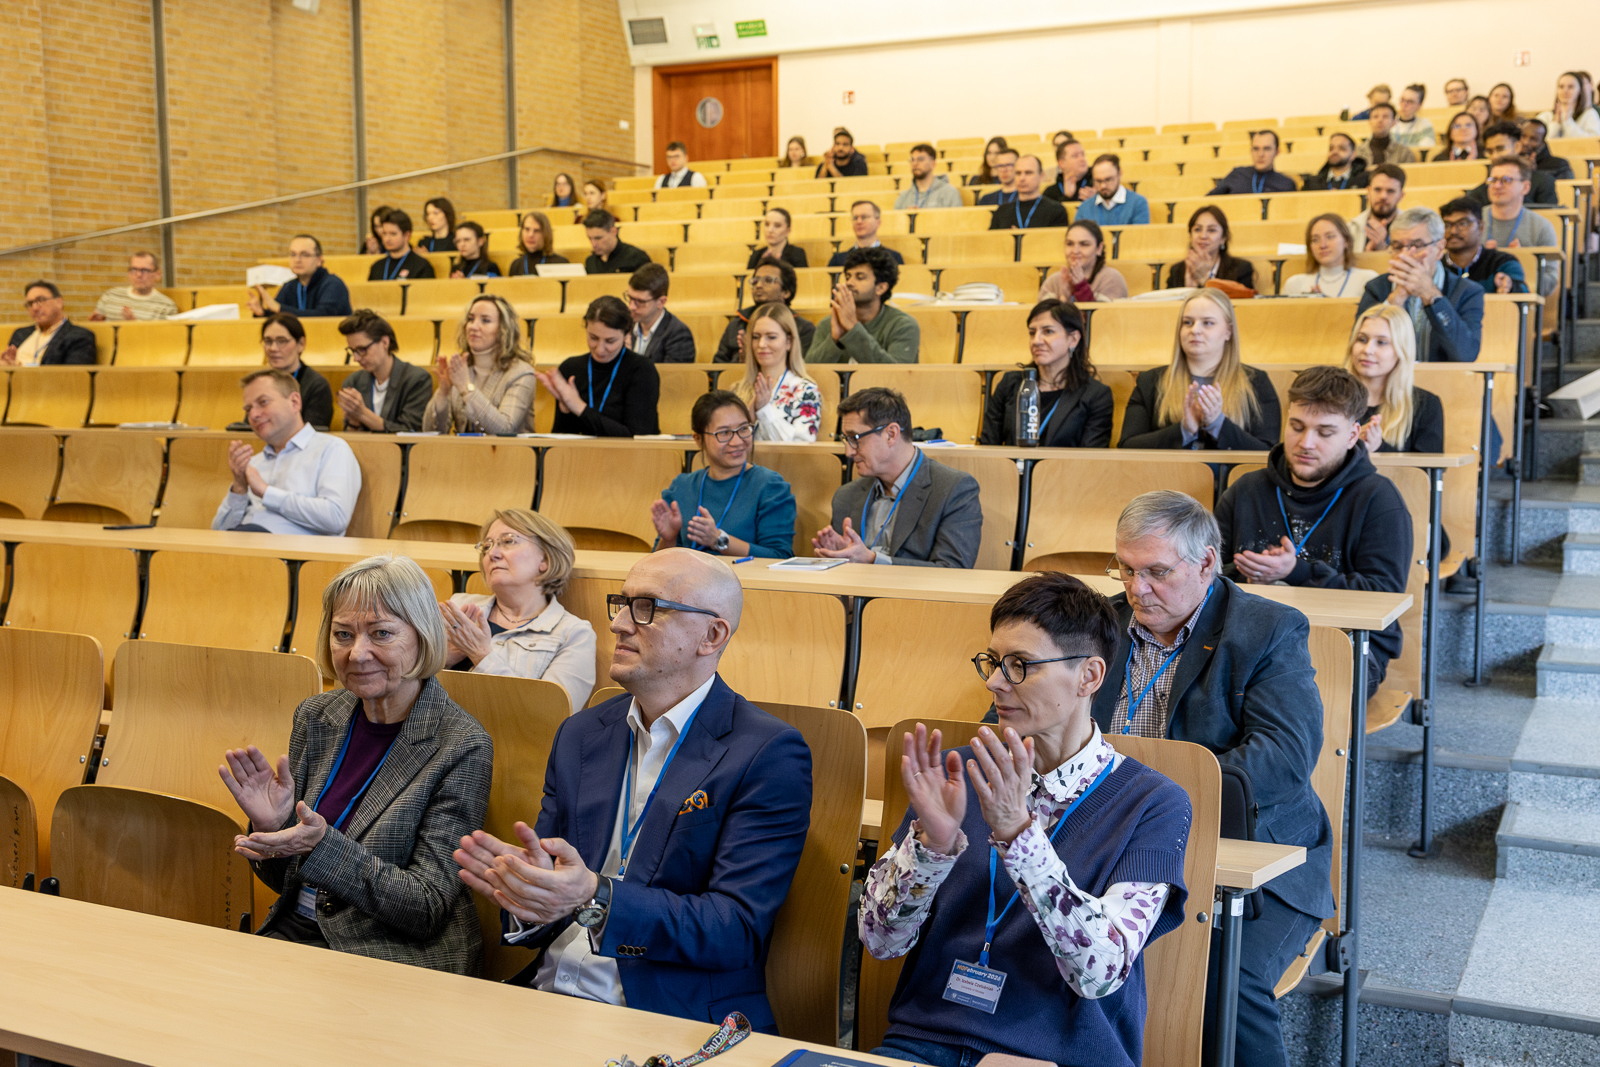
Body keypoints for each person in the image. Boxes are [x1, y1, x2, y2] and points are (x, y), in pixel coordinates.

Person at [454, 549, 812, 1030]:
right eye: (621, 604)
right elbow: (557, 885)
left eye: (647, 608)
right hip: (543, 1000)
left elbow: (737, 929)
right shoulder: (582, 734)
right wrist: (531, 895)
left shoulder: (766, 752)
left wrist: (596, 897)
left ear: (712, 635)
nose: (620, 624)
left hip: (666, 1017)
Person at [860, 573, 1191, 1067]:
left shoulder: (1154, 803)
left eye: (1020, 666)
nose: (995, 681)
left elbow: (1099, 971)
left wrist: (1018, 833)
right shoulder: (957, 775)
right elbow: (879, 941)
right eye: (993, 662)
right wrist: (929, 846)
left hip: (1062, 1056)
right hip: (926, 1043)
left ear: (1089, 677)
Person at [1092, 491, 1333, 1067]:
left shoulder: (1268, 628)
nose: (1137, 589)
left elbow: (1284, 755)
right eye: (1125, 570)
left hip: (1252, 849)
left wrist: (1156, 798)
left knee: (1224, 975)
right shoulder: (1098, 623)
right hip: (1110, 839)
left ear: (1206, 563)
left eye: (1156, 572)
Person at [221, 554, 492, 971]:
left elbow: (425, 907)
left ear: (423, 636)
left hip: (390, 955)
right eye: (343, 634)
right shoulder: (317, 717)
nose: (357, 653)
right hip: (298, 935)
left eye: (381, 633)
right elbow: (287, 883)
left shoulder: (461, 745)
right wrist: (272, 828)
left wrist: (320, 844)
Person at [1216, 365, 1412, 695]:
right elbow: (1204, 572)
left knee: (1284, 695)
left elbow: (1383, 596)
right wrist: (1246, 574)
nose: (1306, 443)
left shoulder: (1379, 499)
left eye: (1324, 432)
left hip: (1343, 642)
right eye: (1296, 427)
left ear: (1353, 435)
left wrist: (1297, 572)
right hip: (1248, 636)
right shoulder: (1246, 488)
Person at [442, 510, 597, 710]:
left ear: (546, 559)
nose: (492, 554)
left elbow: (550, 716)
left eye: (508, 541)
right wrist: (442, 659)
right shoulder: (458, 608)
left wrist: (481, 655)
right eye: (487, 546)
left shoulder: (573, 634)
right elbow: (404, 691)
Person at [813, 388, 981, 568]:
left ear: (891, 434)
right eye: (845, 440)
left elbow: (953, 570)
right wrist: (838, 557)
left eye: (855, 438)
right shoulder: (846, 495)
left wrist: (872, 560)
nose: (849, 451)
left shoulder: (954, 489)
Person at [1119, 289, 1280, 450]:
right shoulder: (1150, 381)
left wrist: (1218, 424)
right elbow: (1127, 447)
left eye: (1208, 323)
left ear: (1228, 332)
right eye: (1188, 322)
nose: (1195, 330)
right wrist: (1184, 430)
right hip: (1165, 475)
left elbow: (1267, 453)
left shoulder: (1256, 382)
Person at [212, 369, 361, 536]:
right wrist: (239, 487)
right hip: (243, 548)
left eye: (263, 402)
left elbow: (336, 518)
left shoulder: (331, 449)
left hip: (295, 557)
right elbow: (219, 532)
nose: (253, 415)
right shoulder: (254, 462)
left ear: (294, 402)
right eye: (248, 409)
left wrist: (266, 492)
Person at [652, 391, 796, 560]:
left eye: (743, 429)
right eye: (724, 433)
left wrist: (719, 539)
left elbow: (779, 556)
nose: (737, 441)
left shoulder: (770, 486)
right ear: (698, 439)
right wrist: (668, 539)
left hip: (745, 583)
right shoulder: (682, 486)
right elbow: (657, 563)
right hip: (688, 583)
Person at [1355, 206, 1484, 363]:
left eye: (1417, 245)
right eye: (1397, 247)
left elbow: (1465, 354)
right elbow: (1362, 351)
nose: (1405, 255)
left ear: (1440, 248)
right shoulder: (1376, 288)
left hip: (1441, 384)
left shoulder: (1468, 291)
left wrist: (1430, 294)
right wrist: (1396, 299)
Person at [980, 299, 1112, 448]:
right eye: (1032, 333)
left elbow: (1091, 461)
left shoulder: (1096, 395)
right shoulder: (1010, 384)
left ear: (1073, 339)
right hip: (1010, 470)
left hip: (1063, 471)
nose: (1036, 341)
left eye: (1048, 331)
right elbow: (988, 446)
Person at [536, 295, 661, 437]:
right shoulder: (570, 368)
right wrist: (566, 410)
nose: (600, 349)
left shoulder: (641, 369)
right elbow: (561, 440)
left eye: (610, 341)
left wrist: (578, 407)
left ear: (626, 335)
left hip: (628, 457)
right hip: (579, 456)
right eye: (593, 338)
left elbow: (637, 437)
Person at [425, 294, 536, 434]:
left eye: (485, 320)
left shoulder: (521, 373)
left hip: (508, 454)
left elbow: (505, 429)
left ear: (503, 330)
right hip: (464, 453)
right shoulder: (461, 368)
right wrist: (443, 392)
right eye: (471, 319)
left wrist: (466, 388)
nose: (473, 326)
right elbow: (430, 432)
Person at [1346, 304, 1445, 453]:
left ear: (1401, 350)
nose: (1367, 350)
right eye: (1362, 339)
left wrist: (1379, 447)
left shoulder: (1425, 404)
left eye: (1381, 342)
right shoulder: (1330, 398)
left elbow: (1425, 472)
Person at [806, 247, 920, 365]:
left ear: (880, 288)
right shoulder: (828, 324)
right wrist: (834, 341)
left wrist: (853, 329)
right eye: (848, 276)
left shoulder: (903, 325)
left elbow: (896, 375)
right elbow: (809, 373)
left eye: (860, 277)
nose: (849, 283)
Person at [730, 302, 822, 443]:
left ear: (789, 342)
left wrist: (764, 410)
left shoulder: (806, 390)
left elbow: (801, 446)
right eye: (755, 337)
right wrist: (748, 422)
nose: (761, 344)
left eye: (771, 337)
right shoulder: (737, 390)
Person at [336, 309, 434, 433]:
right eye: (352, 351)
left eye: (362, 350)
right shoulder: (353, 382)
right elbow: (351, 438)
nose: (356, 358)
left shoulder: (417, 379)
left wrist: (363, 414)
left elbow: (409, 431)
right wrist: (354, 422)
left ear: (385, 342)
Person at [712, 256, 816, 363]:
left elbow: (801, 368)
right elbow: (717, 370)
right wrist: (741, 360)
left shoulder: (802, 329)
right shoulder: (737, 324)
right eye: (755, 281)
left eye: (768, 280)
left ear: (786, 292)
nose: (759, 285)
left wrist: (753, 357)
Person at [1479, 156, 1560, 293]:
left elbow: (1550, 284)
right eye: (1493, 180)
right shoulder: (1473, 221)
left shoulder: (1541, 226)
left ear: (1525, 187)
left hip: (1521, 307)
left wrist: (1524, 262)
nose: (1497, 186)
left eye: (1506, 180)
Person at [259, 313, 334, 430]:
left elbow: (313, 434)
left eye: (281, 341)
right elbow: (249, 428)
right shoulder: (260, 383)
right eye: (268, 341)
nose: (273, 348)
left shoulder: (316, 385)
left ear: (301, 344)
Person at [1440, 197, 1529, 295]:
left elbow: (1524, 294)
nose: (1453, 231)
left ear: (1481, 227)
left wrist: (1510, 286)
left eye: (1462, 223)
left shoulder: (1502, 263)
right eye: (1447, 225)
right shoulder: (1434, 266)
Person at [249, 235, 352, 319]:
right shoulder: (289, 286)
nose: (297, 259)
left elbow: (323, 317)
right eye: (293, 254)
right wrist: (262, 313)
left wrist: (279, 308)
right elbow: (279, 316)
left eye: (305, 255)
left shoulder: (333, 284)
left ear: (319, 260)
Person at [1281, 213, 1379, 297]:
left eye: (1330, 237)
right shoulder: (1295, 284)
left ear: (1346, 240)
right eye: (1315, 240)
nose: (1322, 245)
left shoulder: (1367, 280)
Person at [2, 281, 96, 366]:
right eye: (30, 303)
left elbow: (72, 378)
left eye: (41, 300)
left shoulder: (79, 337)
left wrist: (20, 371)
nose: (35, 308)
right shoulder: (20, 333)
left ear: (59, 302)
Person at [1464, 123, 1560, 206]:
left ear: (1517, 147)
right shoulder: (1479, 192)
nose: (1495, 156)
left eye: (1501, 149)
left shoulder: (1543, 182)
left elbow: (1550, 218)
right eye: (1490, 151)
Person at [1163, 205, 1255, 290]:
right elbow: (1168, 306)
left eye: (1211, 230)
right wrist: (1188, 291)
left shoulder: (1241, 269)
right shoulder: (1177, 270)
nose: (1203, 236)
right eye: (1197, 229)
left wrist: (1205, 280)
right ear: (1191, 236)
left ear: (1223, 238)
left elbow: (1242, 305)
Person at [1039, 220, 1130, 303]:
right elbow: (1041, 319)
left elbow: (1105, 318)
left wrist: (1081, 288)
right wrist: (1064, 298)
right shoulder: (1053, 281)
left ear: (1099, 248)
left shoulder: (1111, 279)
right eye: (1070, 244)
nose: (1075, 251)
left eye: (1084, 244)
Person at [625, 263, 695, 364]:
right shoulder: (624, 326)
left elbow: (672, 378)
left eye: (640, 302)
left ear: (661, 302)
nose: (631, 307)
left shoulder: (679, 335)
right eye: (630, 298)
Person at [90, 251, 178, 321]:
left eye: (144, 270)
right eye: (134, 269)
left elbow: (164, 338)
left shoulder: (166, 306)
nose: (138, 275)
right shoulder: (111, 295)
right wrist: (96, 325)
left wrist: (134, 326)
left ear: (157, 274)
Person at [987, 156, 1069, 230]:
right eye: (1018, 173)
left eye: (1028, 173)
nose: (1022, 178)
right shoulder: (1001, 212)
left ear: (1041, 176)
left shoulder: (1056, 210)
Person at [1072, 154, 1151, 226]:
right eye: (1098, 181)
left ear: (1119, 174)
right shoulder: (1084, 208)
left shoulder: (1138, 203)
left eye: (1108, 179)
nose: (1103, 186)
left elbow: (1139, 238)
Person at [1210, 130, 1297, 195]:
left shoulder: (1286, 184)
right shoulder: (1237, 174)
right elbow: (1209, 201)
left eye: (1266, 149)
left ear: (1277, 152)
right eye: (1256, 149)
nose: (1260, 154)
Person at [1346, 164, 1406, 253]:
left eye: (1390, 191)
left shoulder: (1411, 229)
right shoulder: (1351, 228)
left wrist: (1382, 249)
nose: (1383, 196)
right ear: (1368, 192)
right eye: (1377, 190)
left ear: (1401, 196)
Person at [368, 209, 436, 281]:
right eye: (384, 234)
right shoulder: (376, 267)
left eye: (393, 234)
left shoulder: (422, 267)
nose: (387, 239)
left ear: (406, 235)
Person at [829, 201, 905, 266]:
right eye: (855, 218)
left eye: (864, 217)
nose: (859, 221)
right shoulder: (838, 260)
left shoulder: (893, 258)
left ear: (878, 222)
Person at [894, 144, 964, 210]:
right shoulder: (903, 197)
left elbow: (957, 221)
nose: (915, 163)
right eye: (912, 160)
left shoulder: (950, 193)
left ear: (933, 164)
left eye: (920, 159)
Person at [583, 210, 653, 275]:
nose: (593, 244)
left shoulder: (636, 257)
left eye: (598, 238)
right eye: (590, 238)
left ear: (613, 231)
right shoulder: (590, 262)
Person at [1538, 71, 1600, 139]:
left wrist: (1567, 121)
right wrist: (1556, 123)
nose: (1565, 91)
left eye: (1571, 87)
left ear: (1580, 91)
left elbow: (1593, 142)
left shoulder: (1590, 115)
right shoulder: (1546, 116)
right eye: (1561, 87)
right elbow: (1539, 143)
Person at [506, 211, 569, 275]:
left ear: (546, 234)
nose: (530, 235)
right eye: (527, 229)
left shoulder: (561, 264)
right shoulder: (516, 265)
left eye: (536, 231)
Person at [1300, 133, 1366, 191]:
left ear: (1353, 155)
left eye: (1341, 148)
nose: (1335, 152)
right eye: (1331, 148)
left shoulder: (1363, 180)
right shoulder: (1312, 183)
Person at [1043, 137, 1094, 203]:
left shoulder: (1096, 184)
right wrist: (1066, 198)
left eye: (1083, 154)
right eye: (1075, 156)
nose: (1082, 159)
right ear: (1061, 163)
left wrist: (1097, 198)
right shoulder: (1050, 193)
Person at [1390, 84, 1438, 149]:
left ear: (1419, 105)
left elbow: (1425, 150)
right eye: (1402, 100)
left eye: (1410, 101)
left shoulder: (1425, 125)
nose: (1404, 104)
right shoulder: (1389, 122)